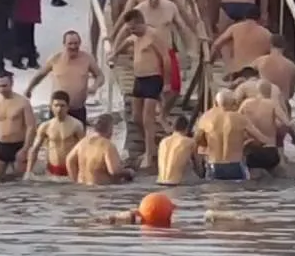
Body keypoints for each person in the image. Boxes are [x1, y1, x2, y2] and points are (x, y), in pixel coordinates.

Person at [110, 10, 174, 169]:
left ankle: (149, 154)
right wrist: (115, 54)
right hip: (139, 79)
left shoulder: (153, 35)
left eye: (133, 28)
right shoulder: (135, 37)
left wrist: (166, 83)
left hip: (153, 78)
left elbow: (166, 58)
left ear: (141, 23)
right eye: (129, 29)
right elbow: (128, 41)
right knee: (136, 117)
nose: (131, 32)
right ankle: (151, 144)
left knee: (147, 118)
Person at [23, 30, 106, 125]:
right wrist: (29, 89)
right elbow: (40, 75)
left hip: (77, 109)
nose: (73, 46)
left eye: (76, 43)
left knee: (78, 138)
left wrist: (94, 86)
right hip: (57, 110)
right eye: (70, 44)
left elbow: (100, 76)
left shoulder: (87, 58)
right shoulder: (55, 58)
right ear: (64, 44)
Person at [195, 89, 271, 181]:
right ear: (234, 103)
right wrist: (247, 145)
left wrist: (208, 145)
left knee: (215, 193)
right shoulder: (240, 118)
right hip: (235, 165)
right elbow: (262, 140)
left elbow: (197, 140)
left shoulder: (206, 118)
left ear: (216, 103)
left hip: (214, 165)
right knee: (238, 192)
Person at [0, 72, 37, 177]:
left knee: (20, 180)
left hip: (19, 145)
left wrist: (26, 148)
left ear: (11, 84)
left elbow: (31, 126)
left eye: (4, 86)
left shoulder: (23, 102)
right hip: (1, 145)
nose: (2, 89)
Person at [24, 90, 85, 178]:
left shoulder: (77, 125)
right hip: (52, 170)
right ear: (51, 107)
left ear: (68, 107)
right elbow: (35, 149)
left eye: (62, 106)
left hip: (71, 170)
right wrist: (28, 172)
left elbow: (84, 149)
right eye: (56, 105)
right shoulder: (45, 126)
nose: (59, 109)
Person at [66, 114, 133, 185]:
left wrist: (75, 180)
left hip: (82, 188)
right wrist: (129, 172)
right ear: (110, 129)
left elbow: (69, 160)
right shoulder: (107, 145)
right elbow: (114, 171)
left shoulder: (82, 143)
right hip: (101, 190)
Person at [156, 116, 201, 186]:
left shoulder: (163, 141)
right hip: (177, 184)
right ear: (187, 128)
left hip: (160, 182)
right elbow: (199, 167)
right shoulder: (190, 142)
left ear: (173, 128)